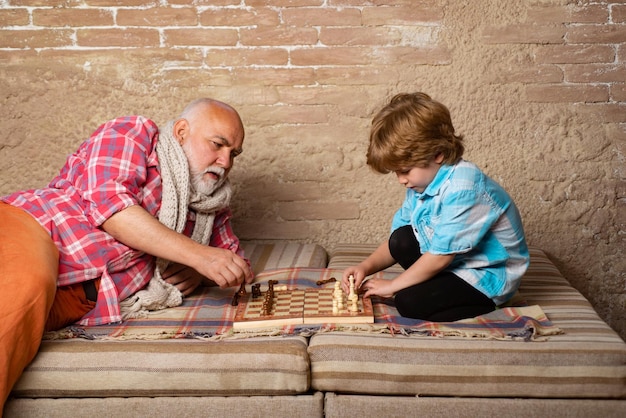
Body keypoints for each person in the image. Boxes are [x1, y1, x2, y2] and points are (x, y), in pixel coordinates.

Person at [0, 98, 254, 409]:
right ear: (182, 131)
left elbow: (236, 264)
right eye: (218, 144)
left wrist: (200, 271)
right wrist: (199, 256)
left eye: (234, 154)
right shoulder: (136, 134)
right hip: (36, 229)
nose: (225, 161)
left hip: (82, 300)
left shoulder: (210, 209)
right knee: (28, 284)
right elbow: (110, 207)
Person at [341, 92, 529, 322]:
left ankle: (491, 301)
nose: (401, 180)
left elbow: (440, 257)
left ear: (438, 154)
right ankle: (439, 287)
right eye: (396, 172)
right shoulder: (421, 185)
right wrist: (365, 266)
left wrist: (392, 285)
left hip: (488, 274)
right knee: (401, 238)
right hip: (454, 263)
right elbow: (399, 239)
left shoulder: (464, 186)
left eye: (405, 171)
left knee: (407, 302)